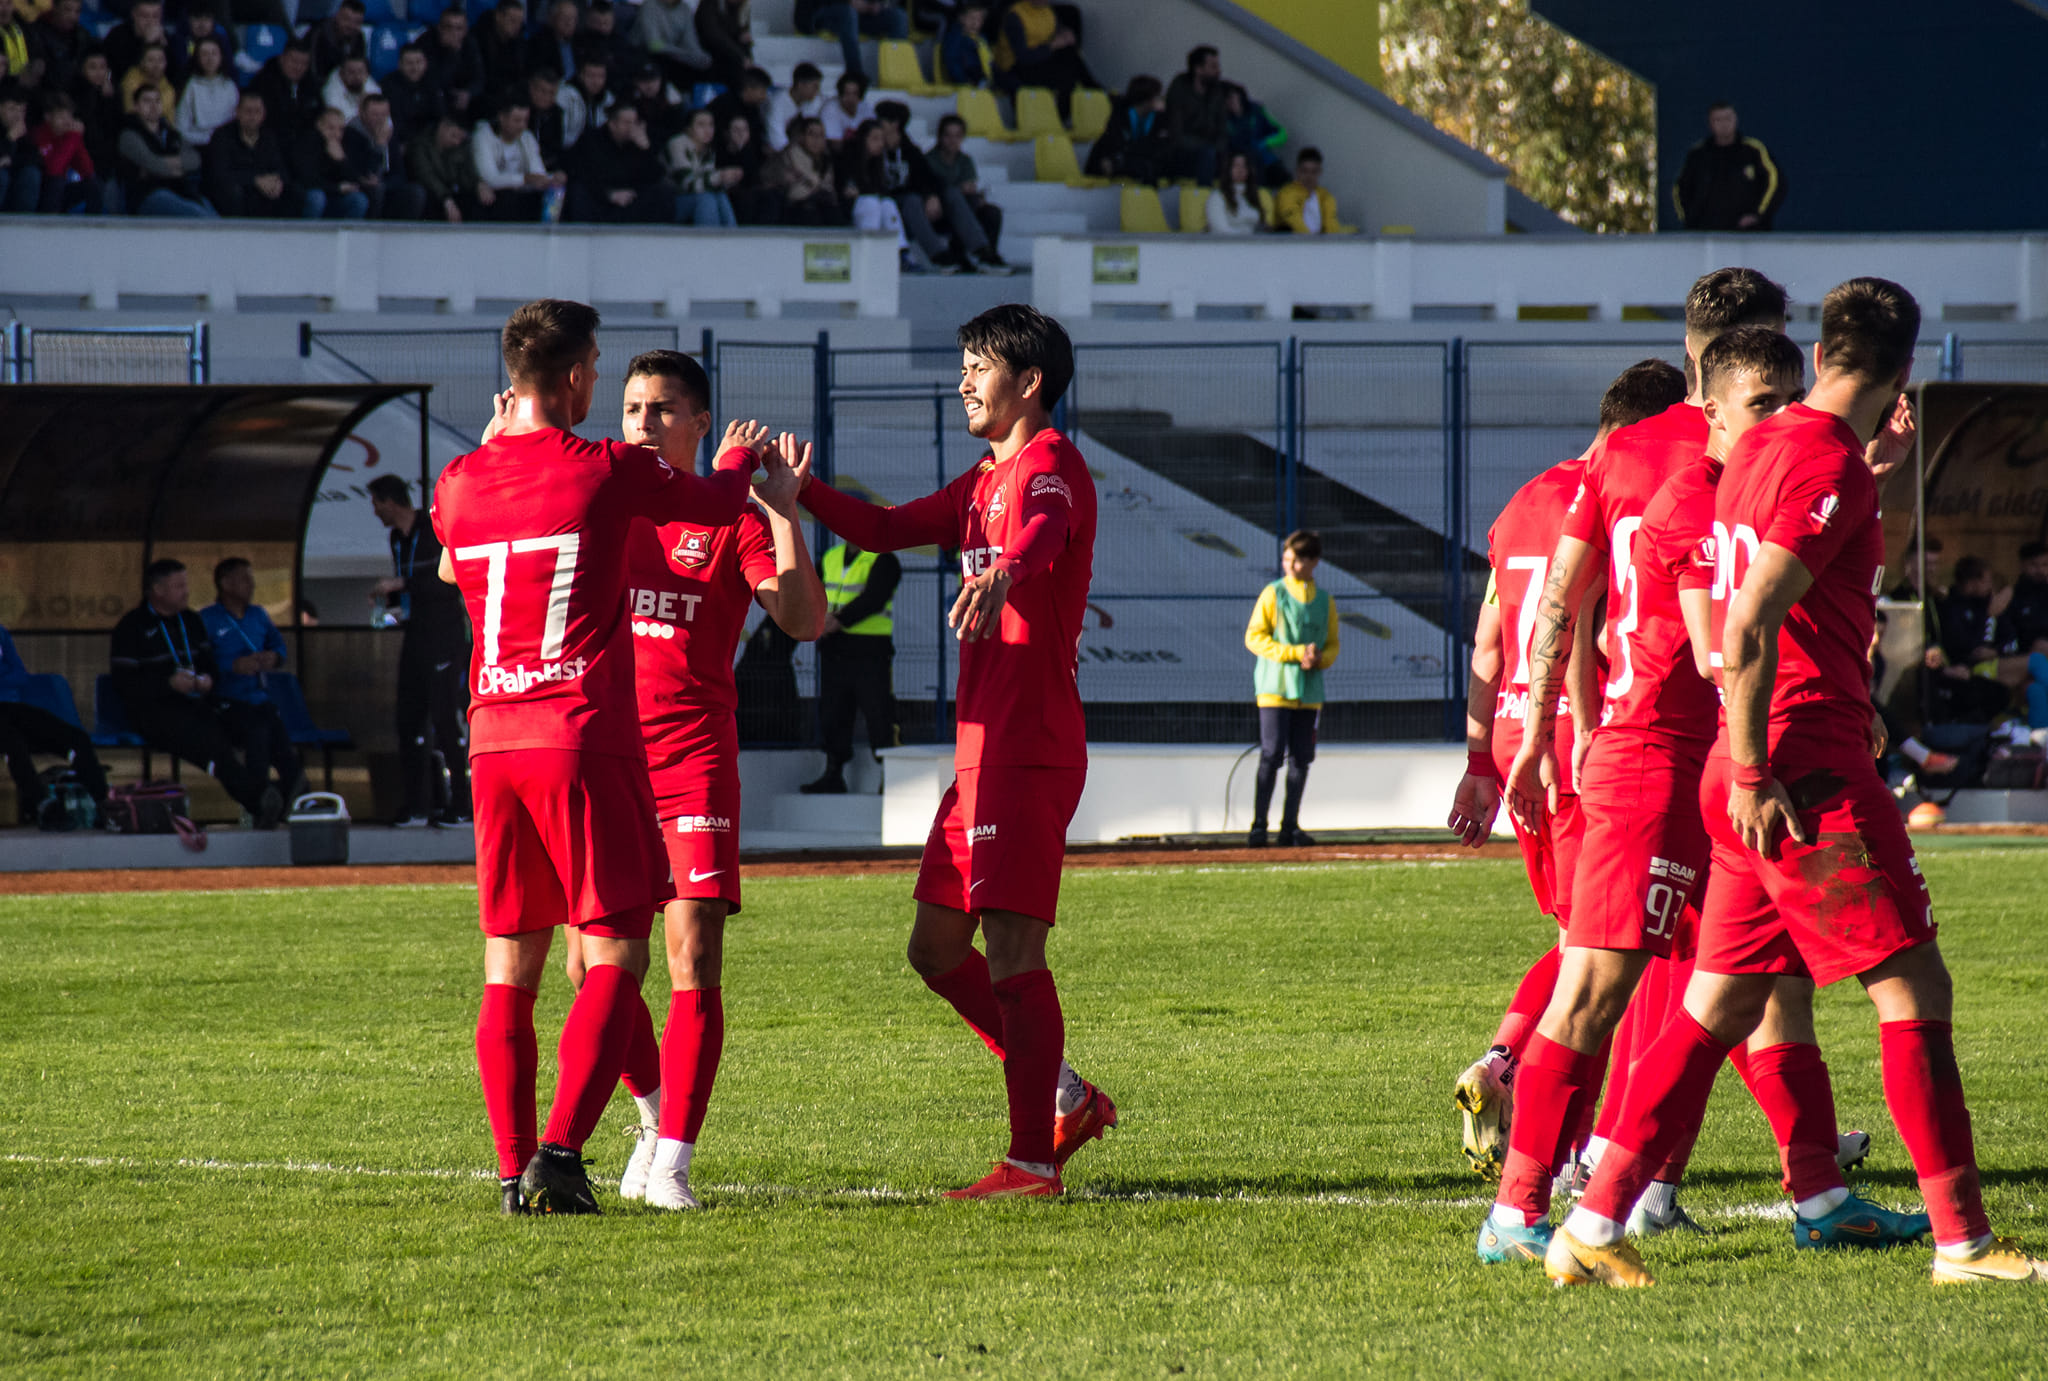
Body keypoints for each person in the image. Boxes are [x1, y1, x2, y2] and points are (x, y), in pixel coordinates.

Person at [1550, 278, 2048, 1289]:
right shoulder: (1824, 465)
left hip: (1760, 768)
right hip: (1795, 772)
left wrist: (1873, 464)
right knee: (1911, 984)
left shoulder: (1763, 450)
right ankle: (1960, 1241)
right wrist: (1752, 766)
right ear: (1902, 371)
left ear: (1820, 355)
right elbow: (1743, 625)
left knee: (1714, 1007)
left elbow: (1753, 559)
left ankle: (1591, 1222)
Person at [435, 298, 756, 1215]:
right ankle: (562, 1154)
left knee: (512, 962)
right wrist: (736, 462)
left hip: (491, 737)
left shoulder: (458, 480)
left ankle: (508, 1172)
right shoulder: (609, 470)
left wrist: (494, 448)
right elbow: (718, 499)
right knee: (615, 952)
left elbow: (455, 561)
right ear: (579, 377)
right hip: (580, 733)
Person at [1495, 268, 1789, 1257]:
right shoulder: (1692, 467)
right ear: (1731, 367)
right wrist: (1555, 728)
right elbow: (1602, 608)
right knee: (1604, 985)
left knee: (1737, 981)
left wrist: (1546, 724)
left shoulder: (1629, 453)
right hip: (1660, 753)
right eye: (1770, 379)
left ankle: (1692, 1181)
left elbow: (1559, 608)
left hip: (1689, 750)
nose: (1784, 400)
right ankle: (1528, 1202)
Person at [797, 304, 1116, 1200]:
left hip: (1029, 747)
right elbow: (886, 528)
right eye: (964, 362)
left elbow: (1045, 540)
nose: (964, 379)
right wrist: (799, 495)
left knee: (1015, 953)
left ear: (1030, 383)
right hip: (982, 754)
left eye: (979, 364)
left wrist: (1006, 570)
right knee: (936, 948)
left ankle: (1031, 1162)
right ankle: (1067, 1094)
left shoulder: (1050, 465)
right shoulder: (981, 481)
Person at [575, 350, 826, 1211]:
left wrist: (786, 515)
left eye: (661, 409)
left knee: (694, 956)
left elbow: (804, 619)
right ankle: (650, 1113)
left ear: (700, 423)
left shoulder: (732, 516)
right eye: (632, 407)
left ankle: (675, 1163)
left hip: (691, 761)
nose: (642, 422)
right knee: (590, 972)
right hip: (603, 757)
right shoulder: (600, 498)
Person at [1447, 360, 1687, 1181]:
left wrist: (1480, 757)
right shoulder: (1626, 496)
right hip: (1583, 745)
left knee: (1581, 940)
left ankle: (1541, 1111)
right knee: (1608, 951)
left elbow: (1485, 641)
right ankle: (1525, 1090)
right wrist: (1581, 726)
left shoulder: (1523, 501)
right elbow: (1587, 623)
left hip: (1515, 739)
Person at [110, 559, 279, 827]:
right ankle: (260, 797)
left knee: (255, 722)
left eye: (185, 584)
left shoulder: (191, 621)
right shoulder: (132, 627)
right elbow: (124, 682)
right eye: (179, 586)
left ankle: (279, 793)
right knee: (207, 741)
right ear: (157, 590)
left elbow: (209, 663)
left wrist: (206, 679)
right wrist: (168, 684)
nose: (186, 591)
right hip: (155, 711)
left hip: (199, 704)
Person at [367, 472, 472, 828]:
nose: (375, 513)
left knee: (445, 720)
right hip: (414, 636)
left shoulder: (433, 531)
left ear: (390, 502)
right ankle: (417, 806)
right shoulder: (397, 537)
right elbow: (406, 584)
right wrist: (393, 602)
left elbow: (448, 582)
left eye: (377, 504)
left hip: (444, 637)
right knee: (408, 720)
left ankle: (461, 805)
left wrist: (404, 583)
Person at [1242, 529, 1337, 847]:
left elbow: (1333, 644)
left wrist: (1320, 658)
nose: (1289, 565)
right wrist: (1295, 653)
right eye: (1286, 559)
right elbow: (1254, 637)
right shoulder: (1273, 593)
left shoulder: (1325, 601)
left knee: (1302, 758)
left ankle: (1289, 827)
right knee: (1271, 755)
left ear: (1313, 562)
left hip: (1309, 694)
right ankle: (1258, 827)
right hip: (1274, 688)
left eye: (1296, 560)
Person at [199, 557, 303, 809]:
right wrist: (231, 666)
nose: (251, 584)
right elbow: (198, 662)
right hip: (226, 702)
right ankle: (258, 797)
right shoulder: (206, 619)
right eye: (245, 578)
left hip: (259, 698)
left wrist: (273, 658)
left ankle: (296, 794)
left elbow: (278, 646)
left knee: (278, 738)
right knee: (258, 732)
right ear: (225, 583)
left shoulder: (258, 615)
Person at [801, 536, 898, 795]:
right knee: (832, 714)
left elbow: (875, 598)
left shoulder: (884, 559)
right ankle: (833, 774)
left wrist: (839, 620)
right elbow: (813, 590)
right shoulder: (830, 557)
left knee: (879, 714)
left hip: (870, 651)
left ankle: (890, 777)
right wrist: (819, 620)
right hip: (835, 650)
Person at [0, 620, 112, 828]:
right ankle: (44, 805)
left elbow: (20, 675)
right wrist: (5, 677)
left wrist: (4, 680)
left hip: (9, 706)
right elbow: (12, 675)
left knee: (75, 738)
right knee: (12, 743)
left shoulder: (1, 633)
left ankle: (103, 803)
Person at [1673, 101, 1782, 232]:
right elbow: (1680, 189)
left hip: (1748, 235)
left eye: (1728, 118)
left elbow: (1775, 182)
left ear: (1735, 120)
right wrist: (1691, 219)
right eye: (1718, 120)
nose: (1724, 124)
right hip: (1706, 236)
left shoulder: (1754, 151)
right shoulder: (1698, 155)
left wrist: (1758, 214)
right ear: (1710, 123)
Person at [1927, 555, 2010, 724]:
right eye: (1987, 581)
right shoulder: (1950, 606)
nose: (1990, 587)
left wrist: (1996, 650)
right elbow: (1964, 644)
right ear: (1973, 582)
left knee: (2030, 679)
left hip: (1982, 662)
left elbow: (2007, 634)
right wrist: (1988, 616)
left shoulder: (1981, 602)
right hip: (1961, 666)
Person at [925, 112, 1007, 270]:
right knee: (961, 201)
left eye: (957, 136)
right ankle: (975, 252)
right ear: (940, 136)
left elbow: (970, 186)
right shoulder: (929, 160)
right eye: (948, 135)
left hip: (964, 207)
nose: (952, 141)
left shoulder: (965, 160)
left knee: (991, 212)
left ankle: (988, 254)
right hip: (940, 211)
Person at [118, 83, 214, 215]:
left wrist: (164, 165)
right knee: (196, 214)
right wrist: (178, 169)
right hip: (148, 194)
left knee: (211, 212)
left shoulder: (171, 134)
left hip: (179, 190)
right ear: (136, 106)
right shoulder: (129, 135)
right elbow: (153, 163)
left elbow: (195, 159)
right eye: (147, 101)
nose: (153, 106)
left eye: (157, 101)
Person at [569, 100, 671, 221]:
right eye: (627, 123)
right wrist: (609, 195)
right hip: (600, 200)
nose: (632, 127)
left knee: (663, 192)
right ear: (612, 124)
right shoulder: (592, 141)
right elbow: (583, 175)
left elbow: (656, 175)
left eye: (635, 122)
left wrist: (646, 148)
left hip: (628, 202)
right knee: (578, 191)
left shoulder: (637, 143)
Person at [991, 0, 1091, 119]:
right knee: (1066, 71)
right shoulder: (1015, 16)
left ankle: (1086, 92)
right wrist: (1053, 45)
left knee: (1069, 55)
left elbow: (1056, 29)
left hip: (1038, 60)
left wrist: (1065, 34)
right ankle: (1063, 112)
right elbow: (1024, 57)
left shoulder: (1048, 12)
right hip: (1014, 67)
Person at [206, 92, 295, 215]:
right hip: (235, 193)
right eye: (248, 111)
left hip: (264, 194)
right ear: (237, 112)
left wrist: (277, 181)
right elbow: (219, 174)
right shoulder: (222, 136)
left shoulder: (268, 137)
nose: (253, 116)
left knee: (294, 193)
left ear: (264, 114)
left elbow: (281, 168)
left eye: (257, 111)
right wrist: (255, 180)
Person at [471, 95, 559, 221]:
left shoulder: (527, 137)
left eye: (525, 121)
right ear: (502, 118)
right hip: (492, 199)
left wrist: (552, 179)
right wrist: (525, 179)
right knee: (506, 197)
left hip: (522, 197)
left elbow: (538, 174)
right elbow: (490, 178)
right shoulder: (483, 136)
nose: (522, 126)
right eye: (517, 121)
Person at [350, 92, 425, 219]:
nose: (380, 119)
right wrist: (379, 145)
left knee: (415, 192)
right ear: (361, 113)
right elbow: (365, 172)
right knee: (376, 190)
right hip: (361, 186)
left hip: (385, 185)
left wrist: (384, 183)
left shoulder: (389, 133)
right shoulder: (352, 134)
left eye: (384, 115)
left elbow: (399, 173)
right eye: (375, 114)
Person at [795, 0, 906, 85]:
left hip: (856, 15)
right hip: (818, 13)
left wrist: (875, 5)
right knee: (848, 12)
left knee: (898, 17)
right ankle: (855, 76)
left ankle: (896, 73)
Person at [30, 91, 105, 214]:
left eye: (69, 116)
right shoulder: (39, 135)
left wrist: (76, 139)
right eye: (61, 117)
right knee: (56, 182)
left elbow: (87, 170)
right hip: (41, 189)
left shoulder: (69, 136)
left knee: (94, 184)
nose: (67, 122)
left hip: (60, 187)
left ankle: (94, 225)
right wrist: (73, 137)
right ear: (48, 117)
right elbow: (53, 170)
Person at [1084, 73, 1167, 183]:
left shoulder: (1158, 118)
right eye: (1157, 97)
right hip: (1111, 162)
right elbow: (1114, 145)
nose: (1161, 100)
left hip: (1133, 163)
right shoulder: (1119, 116)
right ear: (1147, 100)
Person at [662, 103, 735, 224]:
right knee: (706, 199)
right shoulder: (677, 144)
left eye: (711, 125)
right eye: (701, 125)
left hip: (692, 198)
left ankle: (733, 239)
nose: (708, 130)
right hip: (669, 202)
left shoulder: (708, 150)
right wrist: (719, 177)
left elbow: (707, 183)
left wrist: (726, 180)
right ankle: (708, 240)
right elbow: (687, 184)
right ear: (688, 128)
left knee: (720, 196)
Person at [1163, 45, 1225, 184]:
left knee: (1244, 157)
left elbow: (1222, 128)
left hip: (1210, 149)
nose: (1218, 71)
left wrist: (1218, 146)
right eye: (1213, 67)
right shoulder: (1179, 88)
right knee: (1207, 155)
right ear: (1198, 69)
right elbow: (1176, 134)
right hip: (1181, 152)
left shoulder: (1217, 92)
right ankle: (1204, 198)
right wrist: (1206, 145)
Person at [294, 104, 368, 218]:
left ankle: (348, 235)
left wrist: (341, 160)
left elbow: (355, 180)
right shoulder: (308, 143)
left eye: (340, 129)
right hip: (309, 196)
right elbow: (308, 180)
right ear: (319, 126)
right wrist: (337, 188)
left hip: (334, 198)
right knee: (317, 198)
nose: (336, 134)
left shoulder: (345, 143)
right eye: (331, 128)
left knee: (359, 200)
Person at [765, 112, 835, 224]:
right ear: (801, 137)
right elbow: (795, 191)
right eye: (812, 135)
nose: (816, 140)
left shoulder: (826, 160)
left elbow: (827, 188)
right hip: (794, 209)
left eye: (821, 135)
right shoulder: (790, 155)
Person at [408, 111, 477, 221]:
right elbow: (427, 175)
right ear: (443, 127)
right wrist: (446, 199)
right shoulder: (421, 145)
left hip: (449, 194)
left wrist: (479, 184)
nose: (456, 142)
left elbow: (466, 179)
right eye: (454, 136)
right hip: (432, 195)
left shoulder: (459, 149)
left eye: (460, 139)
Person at [172, 34, 238, 147]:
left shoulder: (229, 85)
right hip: (197, 143)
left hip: (225, 144)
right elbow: (181, 126)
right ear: (197, 58)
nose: (210, 58)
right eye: (204, 54)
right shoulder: (190, 86)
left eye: (214, 53)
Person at [630, 0, 712, 90]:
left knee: (707, 67)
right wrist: (685, 55)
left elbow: (690, 42)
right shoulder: (649, 6)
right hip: (646, 54)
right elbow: (653, 44)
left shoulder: (684, 9)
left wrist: (700, 57)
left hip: (673, 54)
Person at [251, 41, 322, 145]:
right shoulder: (263, 83)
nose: (298, 67)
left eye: (304, 63)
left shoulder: (311, 85)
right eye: (294, 61)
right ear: (282, 58)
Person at [104, 0, 180, 90]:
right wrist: (146, 45)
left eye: (155, 16)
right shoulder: (117, 36)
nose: (150, 22)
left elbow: (175, 78)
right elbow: (122, 74)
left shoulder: (166, 38)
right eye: (145, 16)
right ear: (134, 14)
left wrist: (166, 49)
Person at [1275, 147, 1353, 235]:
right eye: (1304, 171)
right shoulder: (1287, 194)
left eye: (1314, 171)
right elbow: (1294, 220)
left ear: (1320, 172)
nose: (1309, 176)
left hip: (1319, 245)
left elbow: (1331, 225)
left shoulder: (1325, 196)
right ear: (1297, 171)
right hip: (1293, 245)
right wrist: (1311, 242)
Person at [427, 7, 486, 120]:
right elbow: (433, 81)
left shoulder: (470, 44)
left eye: (459, 28)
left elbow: (479, 77)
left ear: (465, 30)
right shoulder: (427, 43)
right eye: (448, 27)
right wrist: (453, 53)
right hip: (436, 98)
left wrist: (469, 93)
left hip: (463, 97)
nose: (453, 33)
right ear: (439, 28)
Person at [383, 44, 444, 144]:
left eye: (418, 62)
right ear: (400, 64)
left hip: (429, 138)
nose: (414, 68)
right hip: (402, 140)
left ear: (425, 63)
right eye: (409, 63)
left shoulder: (432, 82)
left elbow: (439, 114)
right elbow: (395, 121)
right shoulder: (389, 85)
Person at [762, 60, 822, 153]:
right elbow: (776, 139)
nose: (817, 91)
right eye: (814, 87)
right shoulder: (777, 103)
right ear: (800, 85)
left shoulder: (811, 102)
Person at [477, 0, 530, 105]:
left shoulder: (519, 43)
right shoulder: (480, 38)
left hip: (511, 95)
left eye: (519, 22)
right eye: (512, 21)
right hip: (486, 96)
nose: (517, 26)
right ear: (498, 17)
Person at [693, 0, 751, 91]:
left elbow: (744, 36)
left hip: (730, 56)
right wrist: (740, 55)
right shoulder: (709, 4)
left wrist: (747, 58)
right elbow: (712, 34)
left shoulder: (742, 9)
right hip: (708, 54)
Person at [1204, 151, 1264, 234]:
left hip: (1252, 244)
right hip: (1227, 244)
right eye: (1236, 165)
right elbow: (1221, 230)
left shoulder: (1252, 196)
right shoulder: (1217, 196)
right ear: (1228, 169)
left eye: (1244, 166)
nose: (1240, 170)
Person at [308, 0, 368, 81]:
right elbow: (314, 72)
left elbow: (360, 65)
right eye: (347, 19)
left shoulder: (358, 36)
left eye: (357, 22)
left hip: (348, 82)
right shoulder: (319, 33)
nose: (351, 25)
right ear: (337, 16)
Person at [559, 55, 613, 145]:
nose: (596, 81)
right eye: (591, 76)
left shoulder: (608, 98)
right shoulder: (566, 95)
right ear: (581, 75)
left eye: (601, 76)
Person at [938, 0, 992, 88]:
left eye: (979, 20)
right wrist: (964, 80)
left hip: (984, 76)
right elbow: (952, 61)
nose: (975, 23)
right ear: (961, 18)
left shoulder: (982, 38)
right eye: (971, 18)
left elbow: (989, 59)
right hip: (966, 79)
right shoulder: (955, 37)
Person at [524, 0, 580, 83]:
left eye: (572, 19)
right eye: (564, 18)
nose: (569, 23)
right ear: (552, 18)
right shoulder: (539, 43)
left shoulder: (581, 42)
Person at [320, 53, 378, 126]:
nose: (357, 76)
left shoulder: (371, 85)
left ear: (366, 73)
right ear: (342, 73)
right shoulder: (330, 92)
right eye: (351, 72)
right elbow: (344, 123)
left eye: (360, 71)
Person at [119, 43, 176, 116]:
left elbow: (169, 122)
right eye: (151, 60)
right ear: (142, 63)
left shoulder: (169, 89)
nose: (156, 65)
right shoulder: (131, 79)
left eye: (160, 60)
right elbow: (131, 112)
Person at [819, 69, 871, 146]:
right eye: (847, 93)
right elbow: (834, 145)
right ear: (840, 94)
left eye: (855, 94)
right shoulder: (830, 109)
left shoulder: (865, 107)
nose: (850, 98)